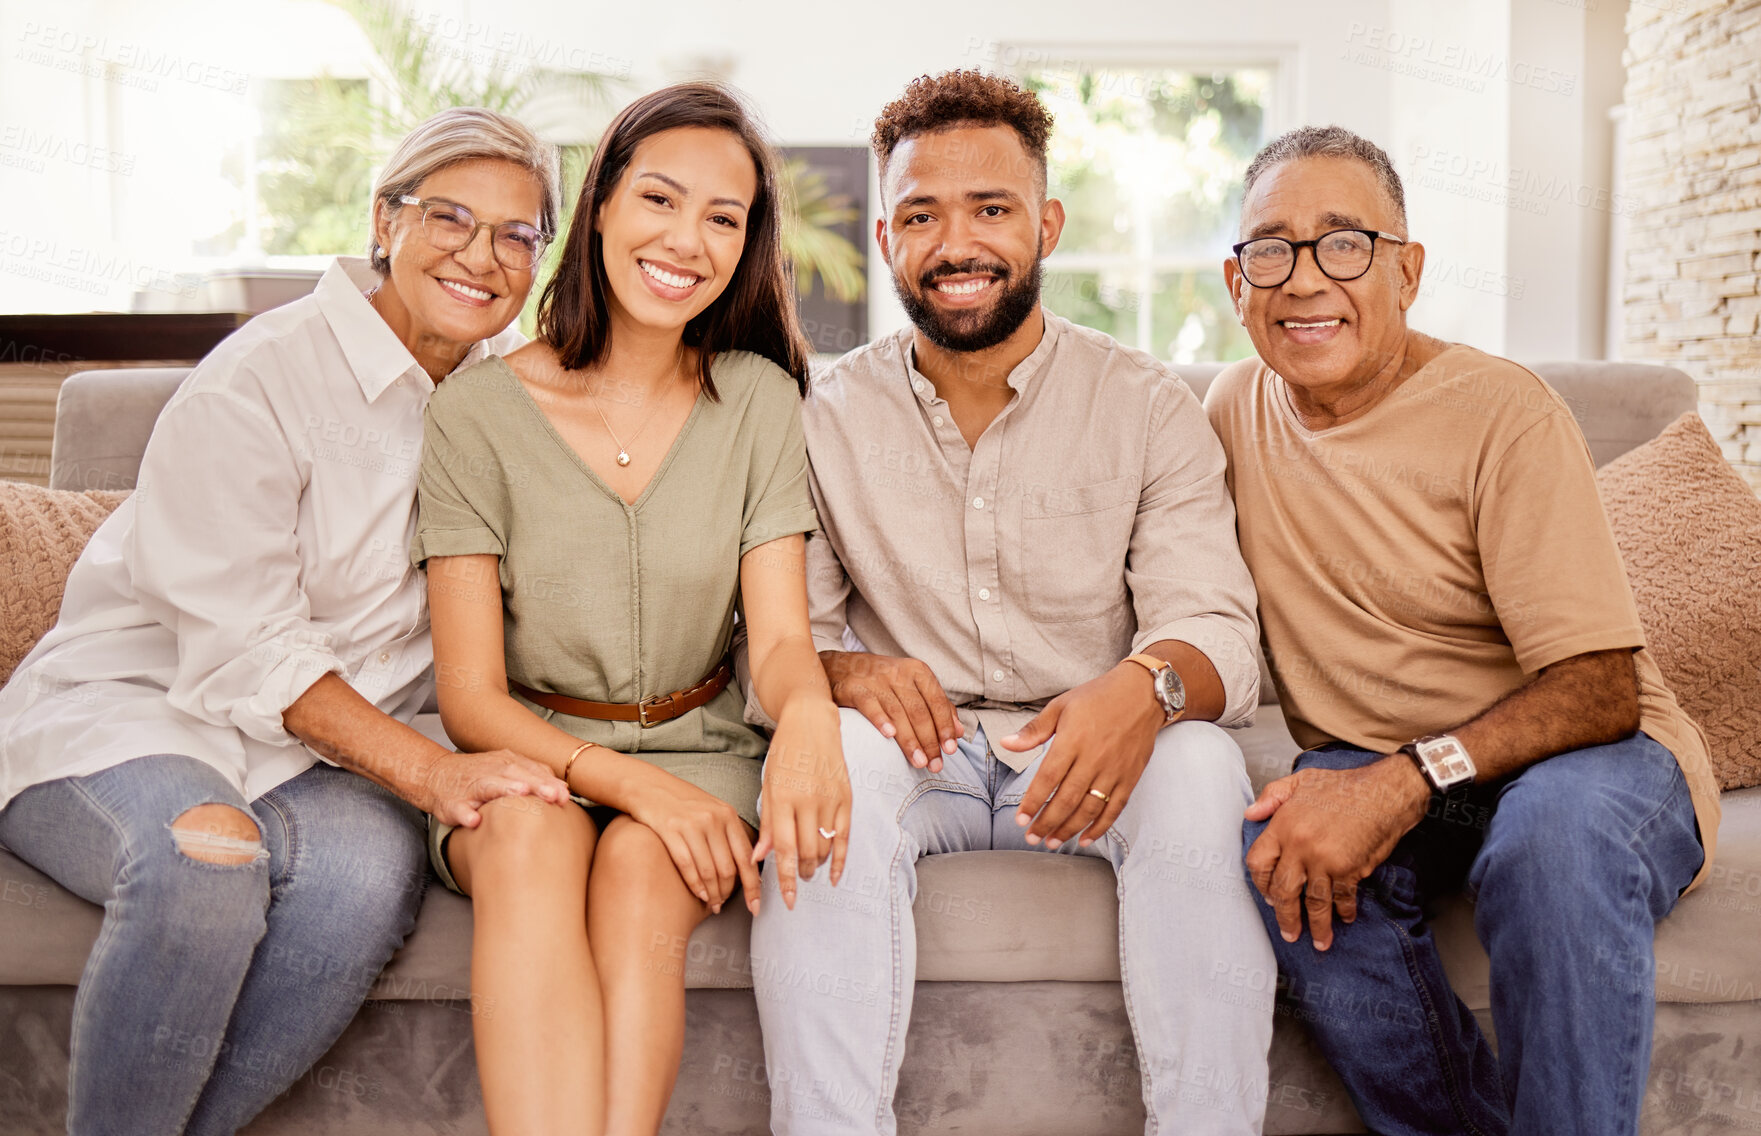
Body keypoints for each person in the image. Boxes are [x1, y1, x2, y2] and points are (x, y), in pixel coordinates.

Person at [0, 107, 567, 1136]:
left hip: (324, 758)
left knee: (362, 883)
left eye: (517, 233)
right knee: (205, 865)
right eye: (450, 216)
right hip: (139, 709)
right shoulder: (262, 377)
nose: (481, 256)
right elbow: (243, 642)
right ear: (384, 219)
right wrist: (433, 772)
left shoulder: (507, 399)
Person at [749, 70, 1274, 1136]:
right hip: (916, 747)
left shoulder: (1147, 405)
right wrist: (848, 672)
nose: (958, 244)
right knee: (822, 760)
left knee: (1204, 764)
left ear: (1047, 223)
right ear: (890, 235)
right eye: (923, 216)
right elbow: (783, 636)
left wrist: (1145, 687)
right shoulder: (821, 415)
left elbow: (1218, 629)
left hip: (1089, 746)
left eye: (991, 209)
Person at [1205, 124, 1722, 1136]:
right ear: (1237, 282)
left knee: (1552, 842)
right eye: (1272, 247)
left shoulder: (1501, 411)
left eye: (1345, 242)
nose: (1305, 278)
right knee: (1287, 844)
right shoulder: (1233, 409)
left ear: (1409, 270)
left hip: (1595, 758)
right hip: (1411, 770)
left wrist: (1399, 779)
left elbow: (1599, 687)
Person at [411, 82, 850, 1136]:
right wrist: (625, 785)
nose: (685, 240)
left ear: (747, 246)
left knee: (647, 867)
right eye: (659, 198)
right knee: (527, 839)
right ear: (600, 204)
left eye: (723, 218)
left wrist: (811, 720)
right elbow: (469, 697)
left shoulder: (756, 398)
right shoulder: (474, 411)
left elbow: (782, 639)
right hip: (531, 745)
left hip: (704, 747)